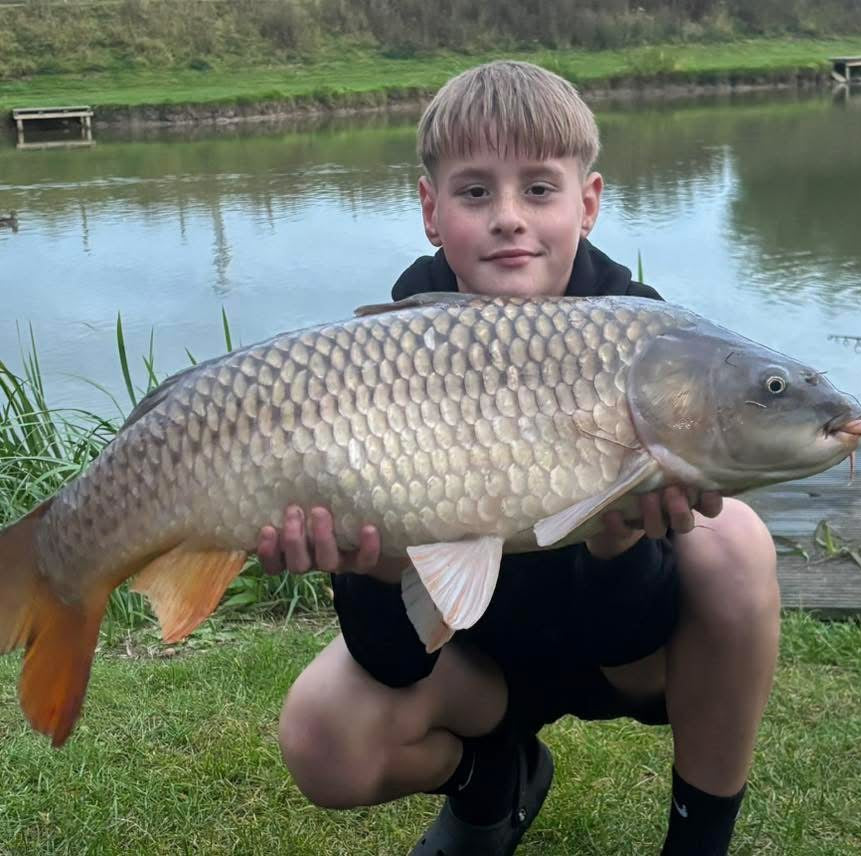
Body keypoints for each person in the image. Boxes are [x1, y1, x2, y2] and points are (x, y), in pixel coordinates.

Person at [257, 60, 779, 856]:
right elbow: (393, 657)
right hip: (476, 669)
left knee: (735, 540)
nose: (509, 217)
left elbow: (626, 630)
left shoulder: (648, 342)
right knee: (322, 738)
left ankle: (698, 840)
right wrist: (365, 567)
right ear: (432, 212)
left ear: (588, 203)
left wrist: (616, 542)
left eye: (539, 189)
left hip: (626, 662)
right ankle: (491, 785)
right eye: (475, 193)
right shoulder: (385, 355)